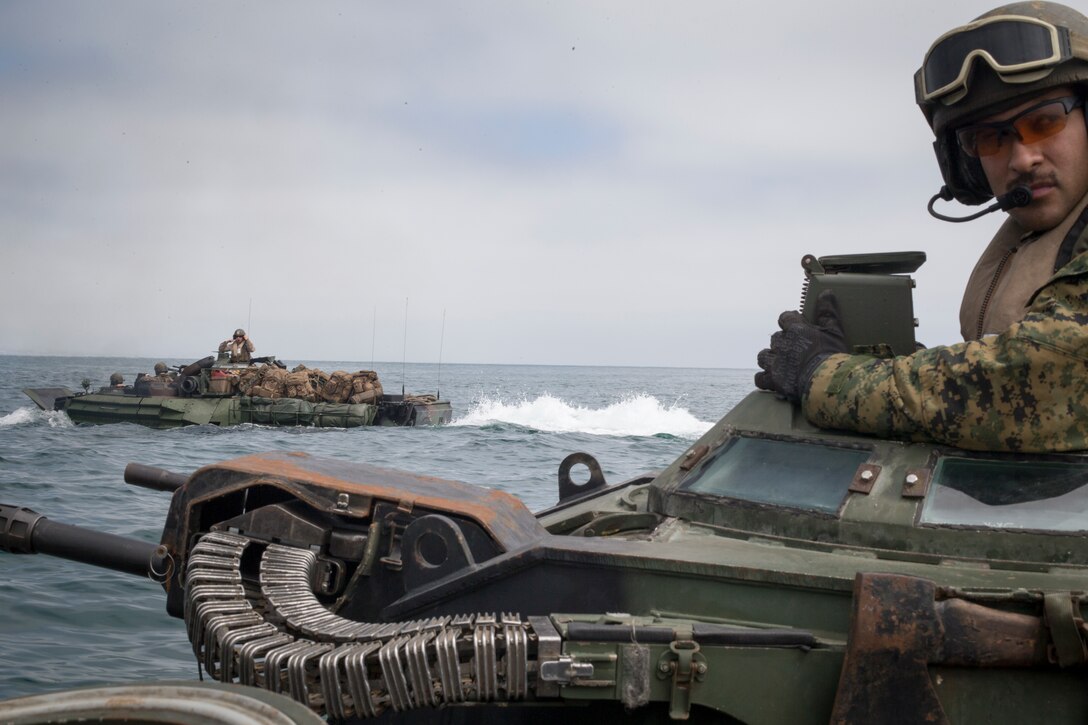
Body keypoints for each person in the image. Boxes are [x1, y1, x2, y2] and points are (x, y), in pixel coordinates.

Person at [755, 2, 1088, 453]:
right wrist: (871, 361)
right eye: (992, 138)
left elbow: (1041, 381)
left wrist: (823, 374)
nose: (1022, 159)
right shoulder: (1037, 234)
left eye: (1044, 122)